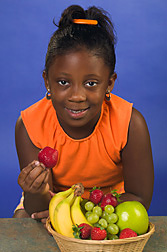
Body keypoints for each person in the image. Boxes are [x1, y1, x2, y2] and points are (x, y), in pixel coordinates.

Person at [13, 5, 154, 229]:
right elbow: (38, 208)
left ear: (109, 83)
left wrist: (88, 215)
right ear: (47, 82)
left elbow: (139, 197)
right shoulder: (29, 125)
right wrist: (35, 190)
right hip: (53, 203)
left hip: (111, 206)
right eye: (63, 82)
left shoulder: (129, 123)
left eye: (91, 83)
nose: (77, 96)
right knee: (22, 223)